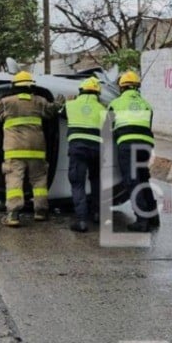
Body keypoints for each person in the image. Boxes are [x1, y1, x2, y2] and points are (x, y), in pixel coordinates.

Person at [0, 70, 64, 227]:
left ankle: (13, 214)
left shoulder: (6, 102)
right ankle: (41, 211)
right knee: (39, 180)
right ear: (31, 86)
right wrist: (57, 104)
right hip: (37, 149)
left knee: (14, 180)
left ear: (14, 86)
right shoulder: (39, 101)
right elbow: (51, 111)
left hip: (14, 150)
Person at [110, 70, 160, 232]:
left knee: (132, 182)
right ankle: (153, 217)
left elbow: (109, 128)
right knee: (143, 179)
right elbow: (147, 126)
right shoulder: (147, 105)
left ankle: (142, 220)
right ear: (137, 87)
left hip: (127, 145)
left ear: (121, 87)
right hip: (145, 147)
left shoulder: (115, 103)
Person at [62, 77, 108, 233]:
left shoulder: (70, 105)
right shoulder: (103, 108)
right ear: (98, 93)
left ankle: (81, 220)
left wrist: (67, 102)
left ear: (80, 91)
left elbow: (60, 114)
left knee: (77, 183)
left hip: (78, 149)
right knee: (96, 181)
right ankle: (97, 214)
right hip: (97, 149)